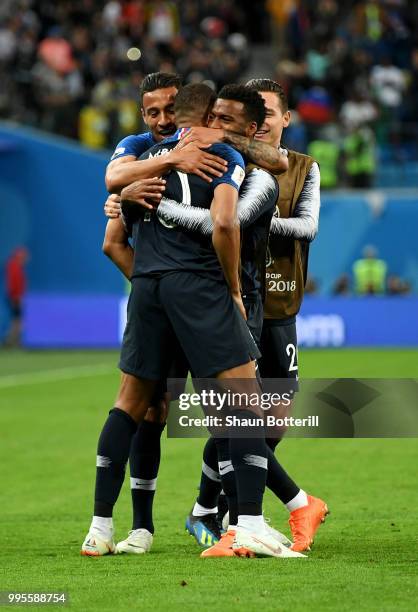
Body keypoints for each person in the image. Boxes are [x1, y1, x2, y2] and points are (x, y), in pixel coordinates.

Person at [81, 83, 297, 559]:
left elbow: (112, 240)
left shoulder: (146, 159)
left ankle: (100, 528)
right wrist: (233, 290)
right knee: (244, 402)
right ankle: (249, 524)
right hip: (199, 287)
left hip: (148, 288)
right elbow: (224, 223)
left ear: (176, 113)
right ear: (212, 118)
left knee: (130, 404)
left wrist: (150, 268)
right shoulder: (221, 154)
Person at [177, 79, 327, 555]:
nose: (260, 120)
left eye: (269, 112)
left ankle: (212, 509)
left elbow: (307, 227)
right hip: (236, 299)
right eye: (253, 111)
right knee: (237, 415)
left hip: (278, 305)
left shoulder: (299, 168)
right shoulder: (225, 161)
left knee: (271, 424)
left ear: (284, 119)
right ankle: (227, 512)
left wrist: (258, 220)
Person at [3, 247, 28, 347]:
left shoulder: (15, 266)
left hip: (16, 297)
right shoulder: (14, 266)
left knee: (17, 321)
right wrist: (16, 297)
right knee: (17, 321)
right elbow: (13, 284)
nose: (25, 259)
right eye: (24, 256)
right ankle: (11, 341)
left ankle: (12, 341)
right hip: (15, 297)